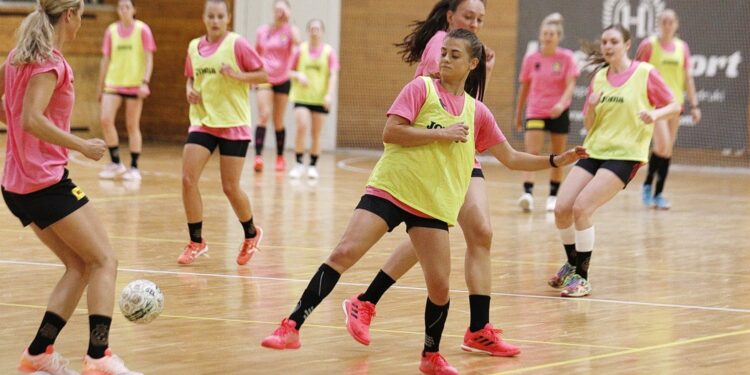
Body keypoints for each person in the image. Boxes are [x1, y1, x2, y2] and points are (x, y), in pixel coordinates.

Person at [261, 29, 587, 375]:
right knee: (343, 253)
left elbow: (510, 157)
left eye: (454, 55)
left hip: (432, 205)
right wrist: (441, 134)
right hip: (392, 190)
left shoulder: (477, 112)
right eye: (443, 52)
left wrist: (555, 160)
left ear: (473, 64)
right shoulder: (420, 89)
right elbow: (392, 132)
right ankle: (291, 326)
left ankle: (430, 356)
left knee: (440, 286)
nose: (445, 58)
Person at [341, 0, 518, 358]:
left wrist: (484, 68)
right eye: (469, 16)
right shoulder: (444, 45)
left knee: (476, 232)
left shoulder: (469, 50)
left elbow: (468, 104)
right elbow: (442, 102)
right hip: (433, 155)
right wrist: (477, 64)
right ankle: (366, 301)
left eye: (481, 19)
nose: (476, 22)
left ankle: (477, 329)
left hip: (459, 152)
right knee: (435, 231)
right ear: (451, 17)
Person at [1, 1, 141, 373]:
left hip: (17, 185)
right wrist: (81, 144)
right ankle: (98, 356)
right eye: (80, 14)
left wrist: (16, 117)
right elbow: (30, 118)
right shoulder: (49, 63)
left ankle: (38, 353)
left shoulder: (19, 56)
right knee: (104, 260)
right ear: (70, 15)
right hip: (44, 183)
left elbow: (13, 110)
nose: (80, 21)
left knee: (78, 265)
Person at [549, 25, 680, 298]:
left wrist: (654, 116)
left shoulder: (644, 73)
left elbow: (674, 105)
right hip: (594, 149)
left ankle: (582, 278)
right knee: (562, 208)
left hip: (625, 154)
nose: (607, 46)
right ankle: (572, 263)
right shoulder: (599, 77)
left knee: (582, 208)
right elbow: (588, 122)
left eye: (613, 41)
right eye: (605, 41)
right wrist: (593, 106)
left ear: (626, 44)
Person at [177, 0, 265, 266]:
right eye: (211, 16)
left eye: (220, 16)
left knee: (230, 187)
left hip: (233, 123)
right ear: (204, 18)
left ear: (227, 18)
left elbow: (264, 74)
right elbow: (191, 77)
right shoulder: (194, 46)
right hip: (203, 121)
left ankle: (251, 233)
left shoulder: (237, 44)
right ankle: (196, 241)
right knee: (187, 179)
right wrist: (189, 91)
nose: (215, 20)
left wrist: (236, 75)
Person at [514, 13, 579, 212]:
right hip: (535, 111)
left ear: (558, 37)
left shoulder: (566, 57)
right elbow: (524, 88)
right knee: (532, 153)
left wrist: (561, 103)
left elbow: (570, 85)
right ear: (540, 36)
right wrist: (518, 114)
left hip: (559, 111)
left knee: (558, 154)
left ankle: (552, 196)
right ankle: (527, 193)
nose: (548, 36)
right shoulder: (531, 59)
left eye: (552, 33)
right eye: (545, 33)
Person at [637, 9, 701, 209]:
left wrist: (695, 105)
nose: (667, 24)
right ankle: (647, 185)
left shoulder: (683, 47)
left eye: (670, 21)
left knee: (667, 149)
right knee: (661, 145)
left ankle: (659, 193)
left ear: (676, 24)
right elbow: (636, 72)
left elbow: (687, 78)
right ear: (658, 23)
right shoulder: (649, 44)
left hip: (675, 104)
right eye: (663, 21)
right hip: (655, 103)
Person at [96, 0, 156, 181]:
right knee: (105, 119)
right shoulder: (111, 31)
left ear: (134, 10)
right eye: (120, 7)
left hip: (134, 84)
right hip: (112, 83)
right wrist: (100, 87)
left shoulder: (142, 30)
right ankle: (115, 163)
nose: (123, 10)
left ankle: (134, 166)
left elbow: (149, 59)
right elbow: (105, 60)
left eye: (127, 7)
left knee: (132, 125)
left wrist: (145, 82)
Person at [287, 19, 339, 179]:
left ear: (322, 32)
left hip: (320, 99)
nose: (314, 31)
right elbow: (288, 71)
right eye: (312, 29)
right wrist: (298, 75)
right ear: (308, 31)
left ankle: (312, 165)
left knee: (316, 133)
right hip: (301, 97)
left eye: (317, 29)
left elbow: (333, 75)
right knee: (301, 127)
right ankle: (298, 163)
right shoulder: (299, 50)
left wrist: (329, 94)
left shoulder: (329, 52)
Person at [253, 0, 301, 172]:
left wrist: (289, 21)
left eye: (283, 10)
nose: (280, 13)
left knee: (278, 119)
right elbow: (256, 54)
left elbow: (298, 44)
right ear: (273, 11)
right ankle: (258, 156)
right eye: (277, 10)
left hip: (283, 78)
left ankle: (280, 157)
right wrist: (253, 76)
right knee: (263, 115)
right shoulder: (263, 31)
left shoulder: (290, 30)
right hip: (264, 77)